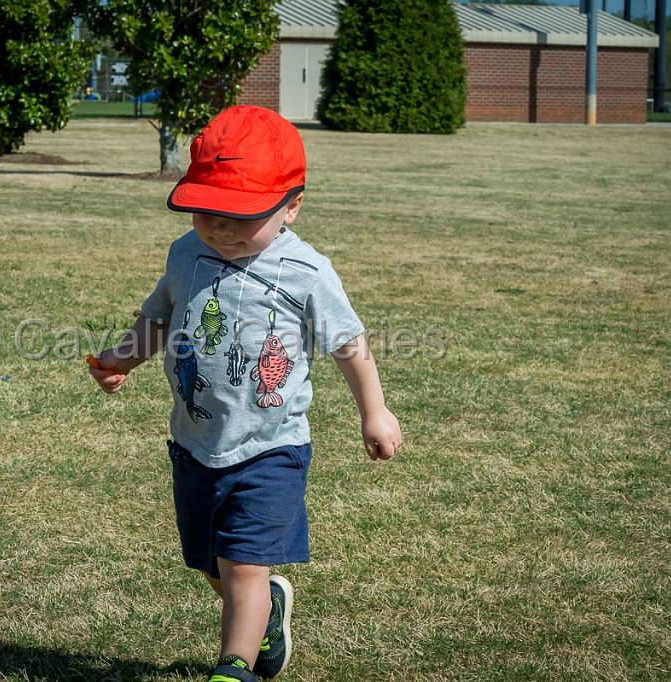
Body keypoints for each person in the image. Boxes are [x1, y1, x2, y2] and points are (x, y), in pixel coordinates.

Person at [88, 105, 402, 681]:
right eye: (208, 211)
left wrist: (374, 411)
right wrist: (121, 358)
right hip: (195, 443)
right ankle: (269, 608)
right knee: (210, 563)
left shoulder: (305, 271)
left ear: (293, 205)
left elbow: (349, 343)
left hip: (270, 448)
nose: (222, 228)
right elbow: (159, 317)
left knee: (243, 567)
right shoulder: (186, 255)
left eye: (241, 214)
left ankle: (235, 668)